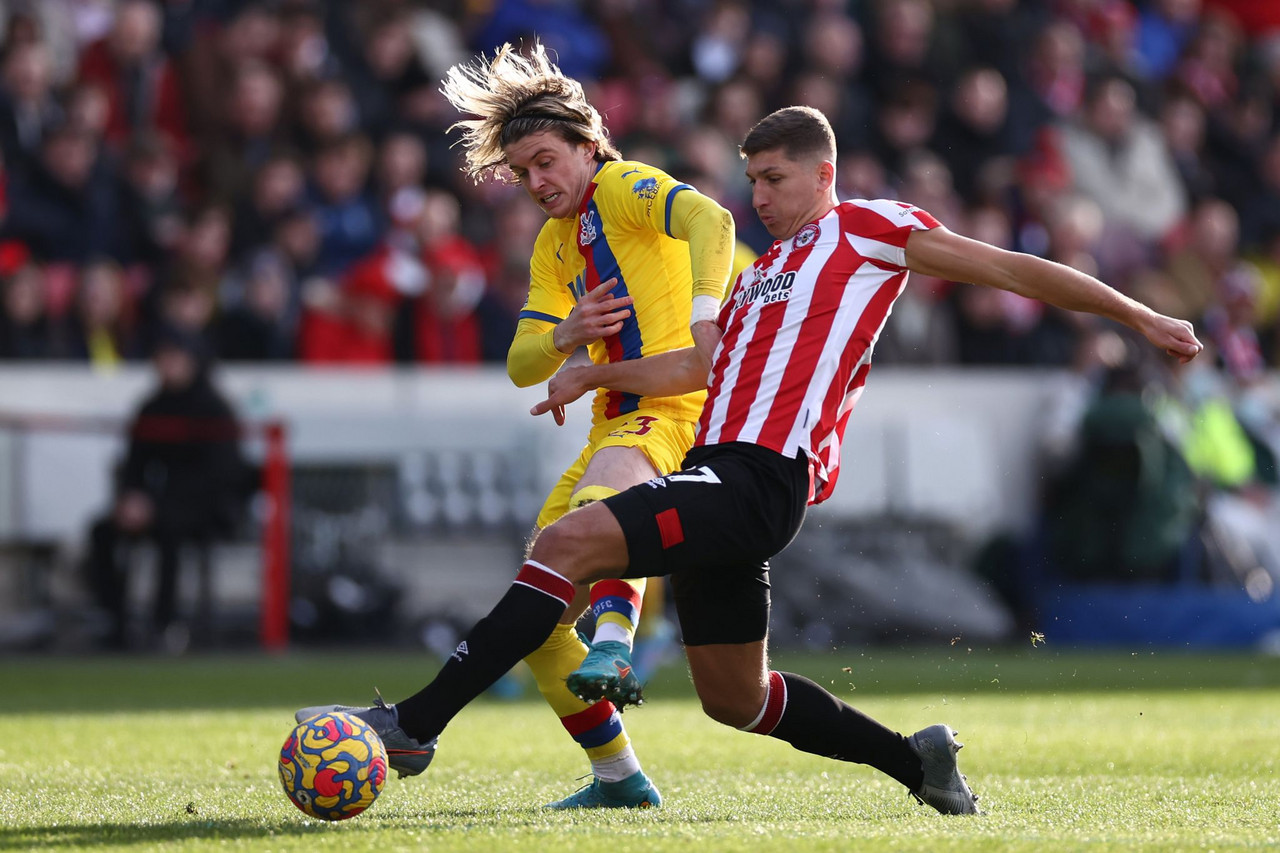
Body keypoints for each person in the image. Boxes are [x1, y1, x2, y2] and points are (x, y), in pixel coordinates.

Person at [299, 106, 1201, 815]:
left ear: (824, 173)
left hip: (760, 474)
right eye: (751, 182)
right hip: (726, 476)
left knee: (568, 544)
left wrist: (1136, 316)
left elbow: (1009, 268)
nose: (758, 198)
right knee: (734, 697)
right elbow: (697, 367)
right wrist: (597, 372)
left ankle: (413, 726)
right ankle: (913, 759)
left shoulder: (865, 232)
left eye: (774, 179)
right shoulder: (764, 272)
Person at [406, 41, 731, 809]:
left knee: (604, 515)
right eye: (522, 172)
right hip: (609, 422)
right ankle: (619, 777)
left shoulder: (622, 187)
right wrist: (566, 332)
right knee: (543, 623)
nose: (537, 182)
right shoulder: (557, 245)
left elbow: (712, 219)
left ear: (589, 146)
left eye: (547, 161)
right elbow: (523, 362)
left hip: (671, 409)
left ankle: (617, 637)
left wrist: (707, 314)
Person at [84, 327, 248, 651]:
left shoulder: (213, 408)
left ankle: (165, 623)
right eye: (162, 358)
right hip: (157, 505)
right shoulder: (152, 406)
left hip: (206, 508)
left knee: (168, 530)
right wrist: (131, 498)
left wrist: (155, 505)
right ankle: (114, 620)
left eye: (175, 357)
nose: (168, 365)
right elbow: (135, 463)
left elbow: (221, 475)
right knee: (101, 531)